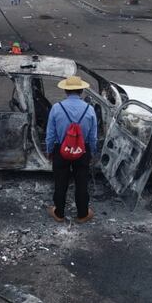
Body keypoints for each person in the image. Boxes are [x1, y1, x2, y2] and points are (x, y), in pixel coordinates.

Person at [45, 75, 97, 223]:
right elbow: (93, 136)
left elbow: (50, 134)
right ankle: (82, 214)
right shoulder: (90, 109)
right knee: (81, 183)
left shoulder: (56, 108)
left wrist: (49, 151)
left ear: (66, 91)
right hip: (82, 151)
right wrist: (92, 152)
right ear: (81, 90)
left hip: (61, 150)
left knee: (60, 182)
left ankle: (59, 213)